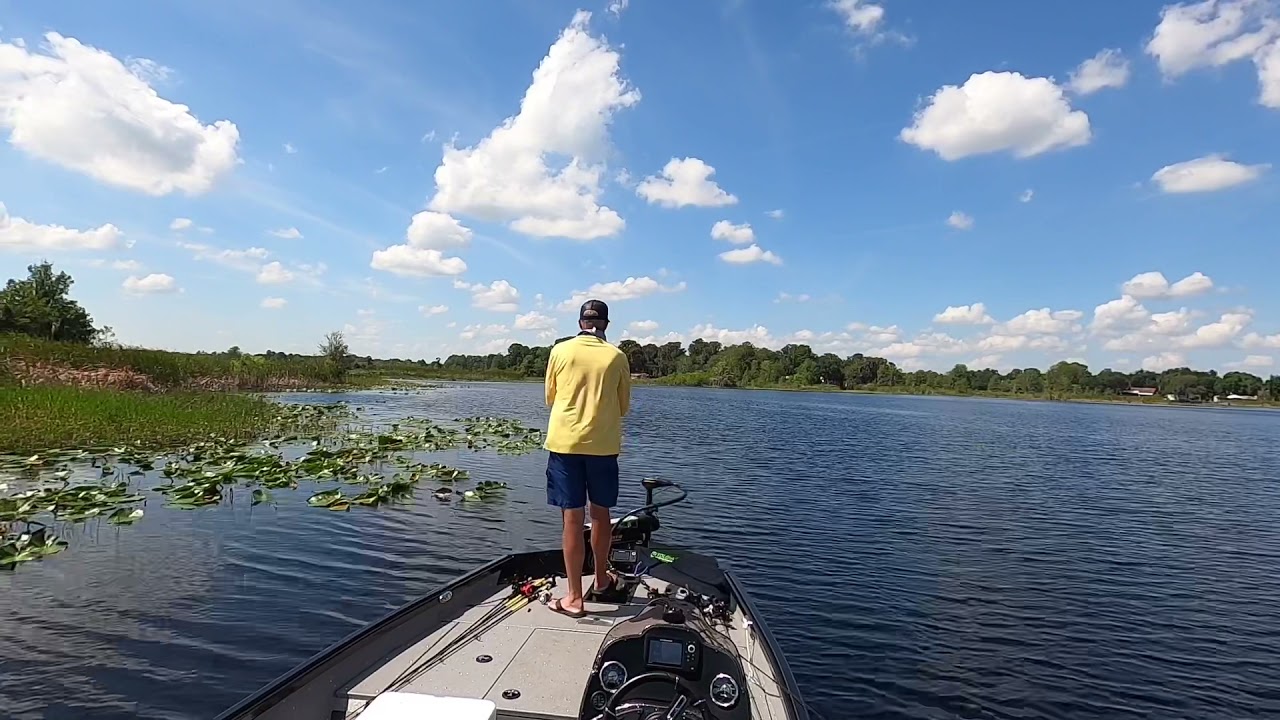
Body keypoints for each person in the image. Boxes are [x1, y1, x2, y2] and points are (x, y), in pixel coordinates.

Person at [543, 298, 632, 618]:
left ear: (581, 322)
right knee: (601, 514)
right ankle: (602, 579)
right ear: (605, 324)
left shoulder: (559, 351)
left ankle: (574, 598)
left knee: (571, 518)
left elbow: (550, 397)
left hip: (565, 444)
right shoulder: (617, 356)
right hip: (603, 446)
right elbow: (623, 406)